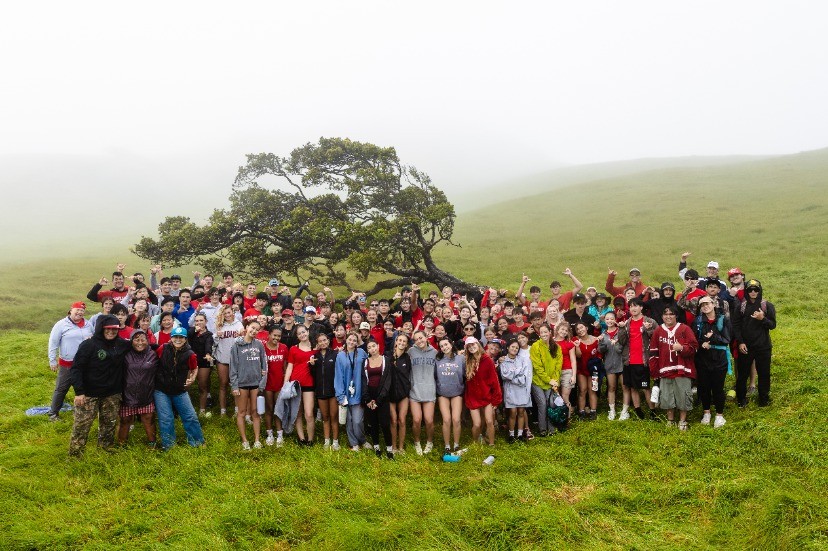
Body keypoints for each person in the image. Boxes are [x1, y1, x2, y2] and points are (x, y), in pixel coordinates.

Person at [68, 314, 130, 457]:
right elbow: (76, 369)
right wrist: (79, 392)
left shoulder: (122, 344)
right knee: (82, 425)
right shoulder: (88, 344)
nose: (111, 332)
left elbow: (141, 344)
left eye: (114, 329)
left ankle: (105, 449)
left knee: (109, 424)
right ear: (100, 328)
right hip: (89, 394)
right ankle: (75, 454)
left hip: (112, 394)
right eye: (107, 329)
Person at [154, 326, 205, 449]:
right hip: (161, 390)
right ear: (171, 338)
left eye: (181, 337)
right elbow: (154, 362)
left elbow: (195, 368)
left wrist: (192, 378)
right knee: (166, 418)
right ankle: (169, 446)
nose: (178, 340)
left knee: (190, 416)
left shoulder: (190, 354)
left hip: (179, 391)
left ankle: (197, 443)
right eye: (175, 337)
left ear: (185, 339)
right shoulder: (162, 348)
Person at [648, 305, 698, 431]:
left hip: (682, 370)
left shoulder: (684, 329)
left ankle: (682, 421)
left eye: (671, 314)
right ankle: (670, 420)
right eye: (666, 314)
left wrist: (682, 348)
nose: (668, 316)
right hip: (665, 369)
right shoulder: (658, 330)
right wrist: (655, 371)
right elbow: (653, 352)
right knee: (667, 397)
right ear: (662, 316)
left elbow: (694, 347)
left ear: (676, 315)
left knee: (683, 396)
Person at [732, 279, 776, 407]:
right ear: (746, 291)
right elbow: (736, 326)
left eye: (756, 289)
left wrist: (763, 319)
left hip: (763, 346)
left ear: (759, 290)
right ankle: (741, 399)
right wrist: (740, 342)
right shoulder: (741, 306)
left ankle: (764, 399)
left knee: (764, 373)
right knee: (742, 374)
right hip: (746, 346)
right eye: (750, 289)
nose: (753, 292)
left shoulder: (767, 306)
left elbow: (772, 325)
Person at [47, 301, 93, 422]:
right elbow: (53, 342)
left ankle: (82, 411)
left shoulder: (88, 324)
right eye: (77, 309)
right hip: (68, 364)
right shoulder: (61, 324)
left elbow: (93, 340)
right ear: (71, 310)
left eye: (82, 310)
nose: (80, 312)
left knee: (84, 388)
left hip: (85, 364)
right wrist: (52, 360)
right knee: (62, 388)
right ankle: (53, 413)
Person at [617, 297, 657, 420]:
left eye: (636, 306)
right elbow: (622, 341)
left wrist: (649, 329)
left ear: (641, 307)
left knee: (645, 387)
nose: (633, 308)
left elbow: (656, 338)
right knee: (633, 387)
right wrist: (622, 328)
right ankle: (638, 409)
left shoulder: (649, 321)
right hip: (629, 361)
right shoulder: (626, 323)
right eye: (631, 306)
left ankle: (652, 411)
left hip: (643, 361)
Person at [230, 319, 268, 450]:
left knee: (255, 412)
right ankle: (245, 441)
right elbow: (233, 367)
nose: (254, 331)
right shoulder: (237, 345)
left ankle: (257, 440)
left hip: (256, 384)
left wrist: (261, 383)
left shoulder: (259, 345)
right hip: (242, 383)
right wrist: (234, 385)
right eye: (252, 328)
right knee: (241, 412)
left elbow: (264, 365)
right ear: (247, 327)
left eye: (257, 329)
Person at [694, 296, 730, 428]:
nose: (705, 306)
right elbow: (693, 339)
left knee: (718, 388)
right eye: (702, 305)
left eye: (707, 303)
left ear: (713, 304)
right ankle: (706, 413)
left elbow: (727, 339)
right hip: (702, 359)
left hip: (719, 359)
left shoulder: (723, 319)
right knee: (704, 387)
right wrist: (702, 343)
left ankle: (719, 415)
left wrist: (713, 337)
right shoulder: (698, 321)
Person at [117, 330, 158, 447]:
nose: (140, 343)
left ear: (148, 341)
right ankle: (121, 445)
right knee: (125, 420)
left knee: (148, 419)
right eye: (136, 340)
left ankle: (152, 444)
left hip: (146, 394)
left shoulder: (153, 354)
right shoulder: (125, 354)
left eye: (143, 340)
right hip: (127, 394)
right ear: (131, 341)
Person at [463, 337, 502, 446]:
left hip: (486, 395)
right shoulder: (467, 361)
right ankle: (476, 442)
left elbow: (495, 381)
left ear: (478, 344)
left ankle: (491, 444)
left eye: (473, 345)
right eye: (469, 347)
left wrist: (496, 400)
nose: (472, 348)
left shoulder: (487, 359)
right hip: (473, 396)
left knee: (490, 421)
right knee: (477, 424)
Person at [284, 325, 318, 445]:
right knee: (297, 413)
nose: (302, 335)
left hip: (309, 384)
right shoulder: (293, 349)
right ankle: (302, 438)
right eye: (299, 334)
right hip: (295, 384)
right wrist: (285, 384)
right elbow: (289, 367)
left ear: (308, 332)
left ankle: (310, 439)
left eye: (304, 332)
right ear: (297, 336)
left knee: (308, 413)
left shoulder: (315, 348)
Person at [335, 332, 369, 451]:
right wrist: (340, 395)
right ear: (346, 340)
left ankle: (362, 440)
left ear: (357, 342)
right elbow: (338, 376)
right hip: (345, 391)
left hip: (358, 390)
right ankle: (354, 443)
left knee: (357, 420)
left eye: (354, 340)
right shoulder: (340, 356)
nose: (352, 342)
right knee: (349, 420)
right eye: (350, 339)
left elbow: (367, 369)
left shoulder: (362, 353)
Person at [361, 339, 394, 458]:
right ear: (367, 350)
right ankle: (377, 447)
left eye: (374, 346)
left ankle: (389, 450)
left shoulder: (386, 360)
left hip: (382, 396)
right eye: (369, 347)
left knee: (385, 424)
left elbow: (387, 381)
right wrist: (368, 399)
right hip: (370, 397)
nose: (372, 349)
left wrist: (379, 400)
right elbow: (363, 381)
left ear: (378, 346)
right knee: (373, 423)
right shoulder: (365, 362)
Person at [408, 330, 439, 455]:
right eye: (416, 339)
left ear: (426, 337)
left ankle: (429, 442)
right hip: (415, 390)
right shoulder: (411, 351)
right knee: (416, 420)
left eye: (421, 338)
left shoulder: (435, 353)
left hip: (429, 390)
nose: (419, 341)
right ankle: (417, 442)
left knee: (429, 420)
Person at [434, 337, 466, 455]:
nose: (444, 347)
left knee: (456, 419)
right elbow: (434, 376)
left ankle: (456, 445)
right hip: (443, 393)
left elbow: (466, 374)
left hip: (457, 392)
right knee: (446, 419)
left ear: (451, 344)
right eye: (441, 346)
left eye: (446, 344)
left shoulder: (461, 359)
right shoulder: (438, 360)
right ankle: (447, 446)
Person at [529, 324, 562, 436]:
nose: (543, 334)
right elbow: (537, 367)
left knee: (551, 404)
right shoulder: (535, 346)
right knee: (542, 404)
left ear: (550, 332)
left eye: (545, 332)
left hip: (551, 382)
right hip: (538, 381)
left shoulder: (556, 347)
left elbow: (558, 366)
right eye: (541, 332)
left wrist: (555, 380)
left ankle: (551, 429)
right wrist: (549, 380)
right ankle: (542, 429)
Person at [501, 339, 533, 443]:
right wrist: (517, 374)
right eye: (512, 347)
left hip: (521, 389)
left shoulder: (523, 360)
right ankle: (511, 434)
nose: (514, 349)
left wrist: (513, 376)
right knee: (513, 412)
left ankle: (519, 434)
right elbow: (505, 375)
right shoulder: (503, 360)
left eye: (516, 348)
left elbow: (524, 376)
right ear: (507, 347)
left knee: (521, 411)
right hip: (510, 391)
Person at [214, 304, 243, 416]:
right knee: (223, 383)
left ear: (233, 312)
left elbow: (242, 335)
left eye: (229, 312)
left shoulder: (238, 323)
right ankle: (223, 411)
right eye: (224, 313)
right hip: (222, 357)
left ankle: (237, 410)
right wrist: (217, 335)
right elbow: (214, 343)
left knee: (235, 384)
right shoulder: (220, 325)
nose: (227, 315)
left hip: (236, 359)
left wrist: (241, 333)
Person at [313, 333, 340, 449]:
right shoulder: (315, 356)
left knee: (334, 416)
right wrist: (312, 365)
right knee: (325, 417)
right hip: (320, 391)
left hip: (333, 391)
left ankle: (335, 441)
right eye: (320, 341)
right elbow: (313, 374)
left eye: (324, 340)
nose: (323, 343)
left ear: (328, 341)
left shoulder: (335, 354)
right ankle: (326, 440)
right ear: (317, 343)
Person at [263, 326, 288, 447]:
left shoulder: (283, 347)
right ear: (269, 334)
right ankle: (269, 434)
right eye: (274, 335)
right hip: (267, 383)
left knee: (278, 409)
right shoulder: (262, 348)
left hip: (279, 383)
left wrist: (285, 382)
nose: (276, 338)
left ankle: (279, 434)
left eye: (279, 336)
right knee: (269, 408)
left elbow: (285, 366)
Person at [387, 333, 412, 454]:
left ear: (407, 344)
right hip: (390, 393)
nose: (401, 343)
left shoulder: (407, 358)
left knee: (402, 420)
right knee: (393, 420)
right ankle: (394, 446)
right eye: (400, 340)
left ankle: (401, 447)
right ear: (396, 341)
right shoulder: (387, 356)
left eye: (404, 341)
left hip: (403, 393)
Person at [598, 312, 625, 420]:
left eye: (611, 319)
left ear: (615, 320)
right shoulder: (603, 335)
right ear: (605, 321)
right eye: (607, 319)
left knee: (625, 387)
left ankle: (624, 410)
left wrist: (617, 343)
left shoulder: (620, 332)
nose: (609, 321)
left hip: (622, 363)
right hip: (609, 364)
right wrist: (601, 342)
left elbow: (624, 346)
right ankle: (612, 410)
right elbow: (601, 351)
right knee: (611, 387)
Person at [573, 321, 602, 420]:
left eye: (581, 327)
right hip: (581, 369)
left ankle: (593, 411)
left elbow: (599, 354)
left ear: (586, 327)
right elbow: (578, 356)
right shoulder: (576, 340)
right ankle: (581, 411)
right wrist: (577, 346)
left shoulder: (595, 339)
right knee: (582, 390)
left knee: (592, 389)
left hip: (593, 370)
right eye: (577, 329)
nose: (580, 330)